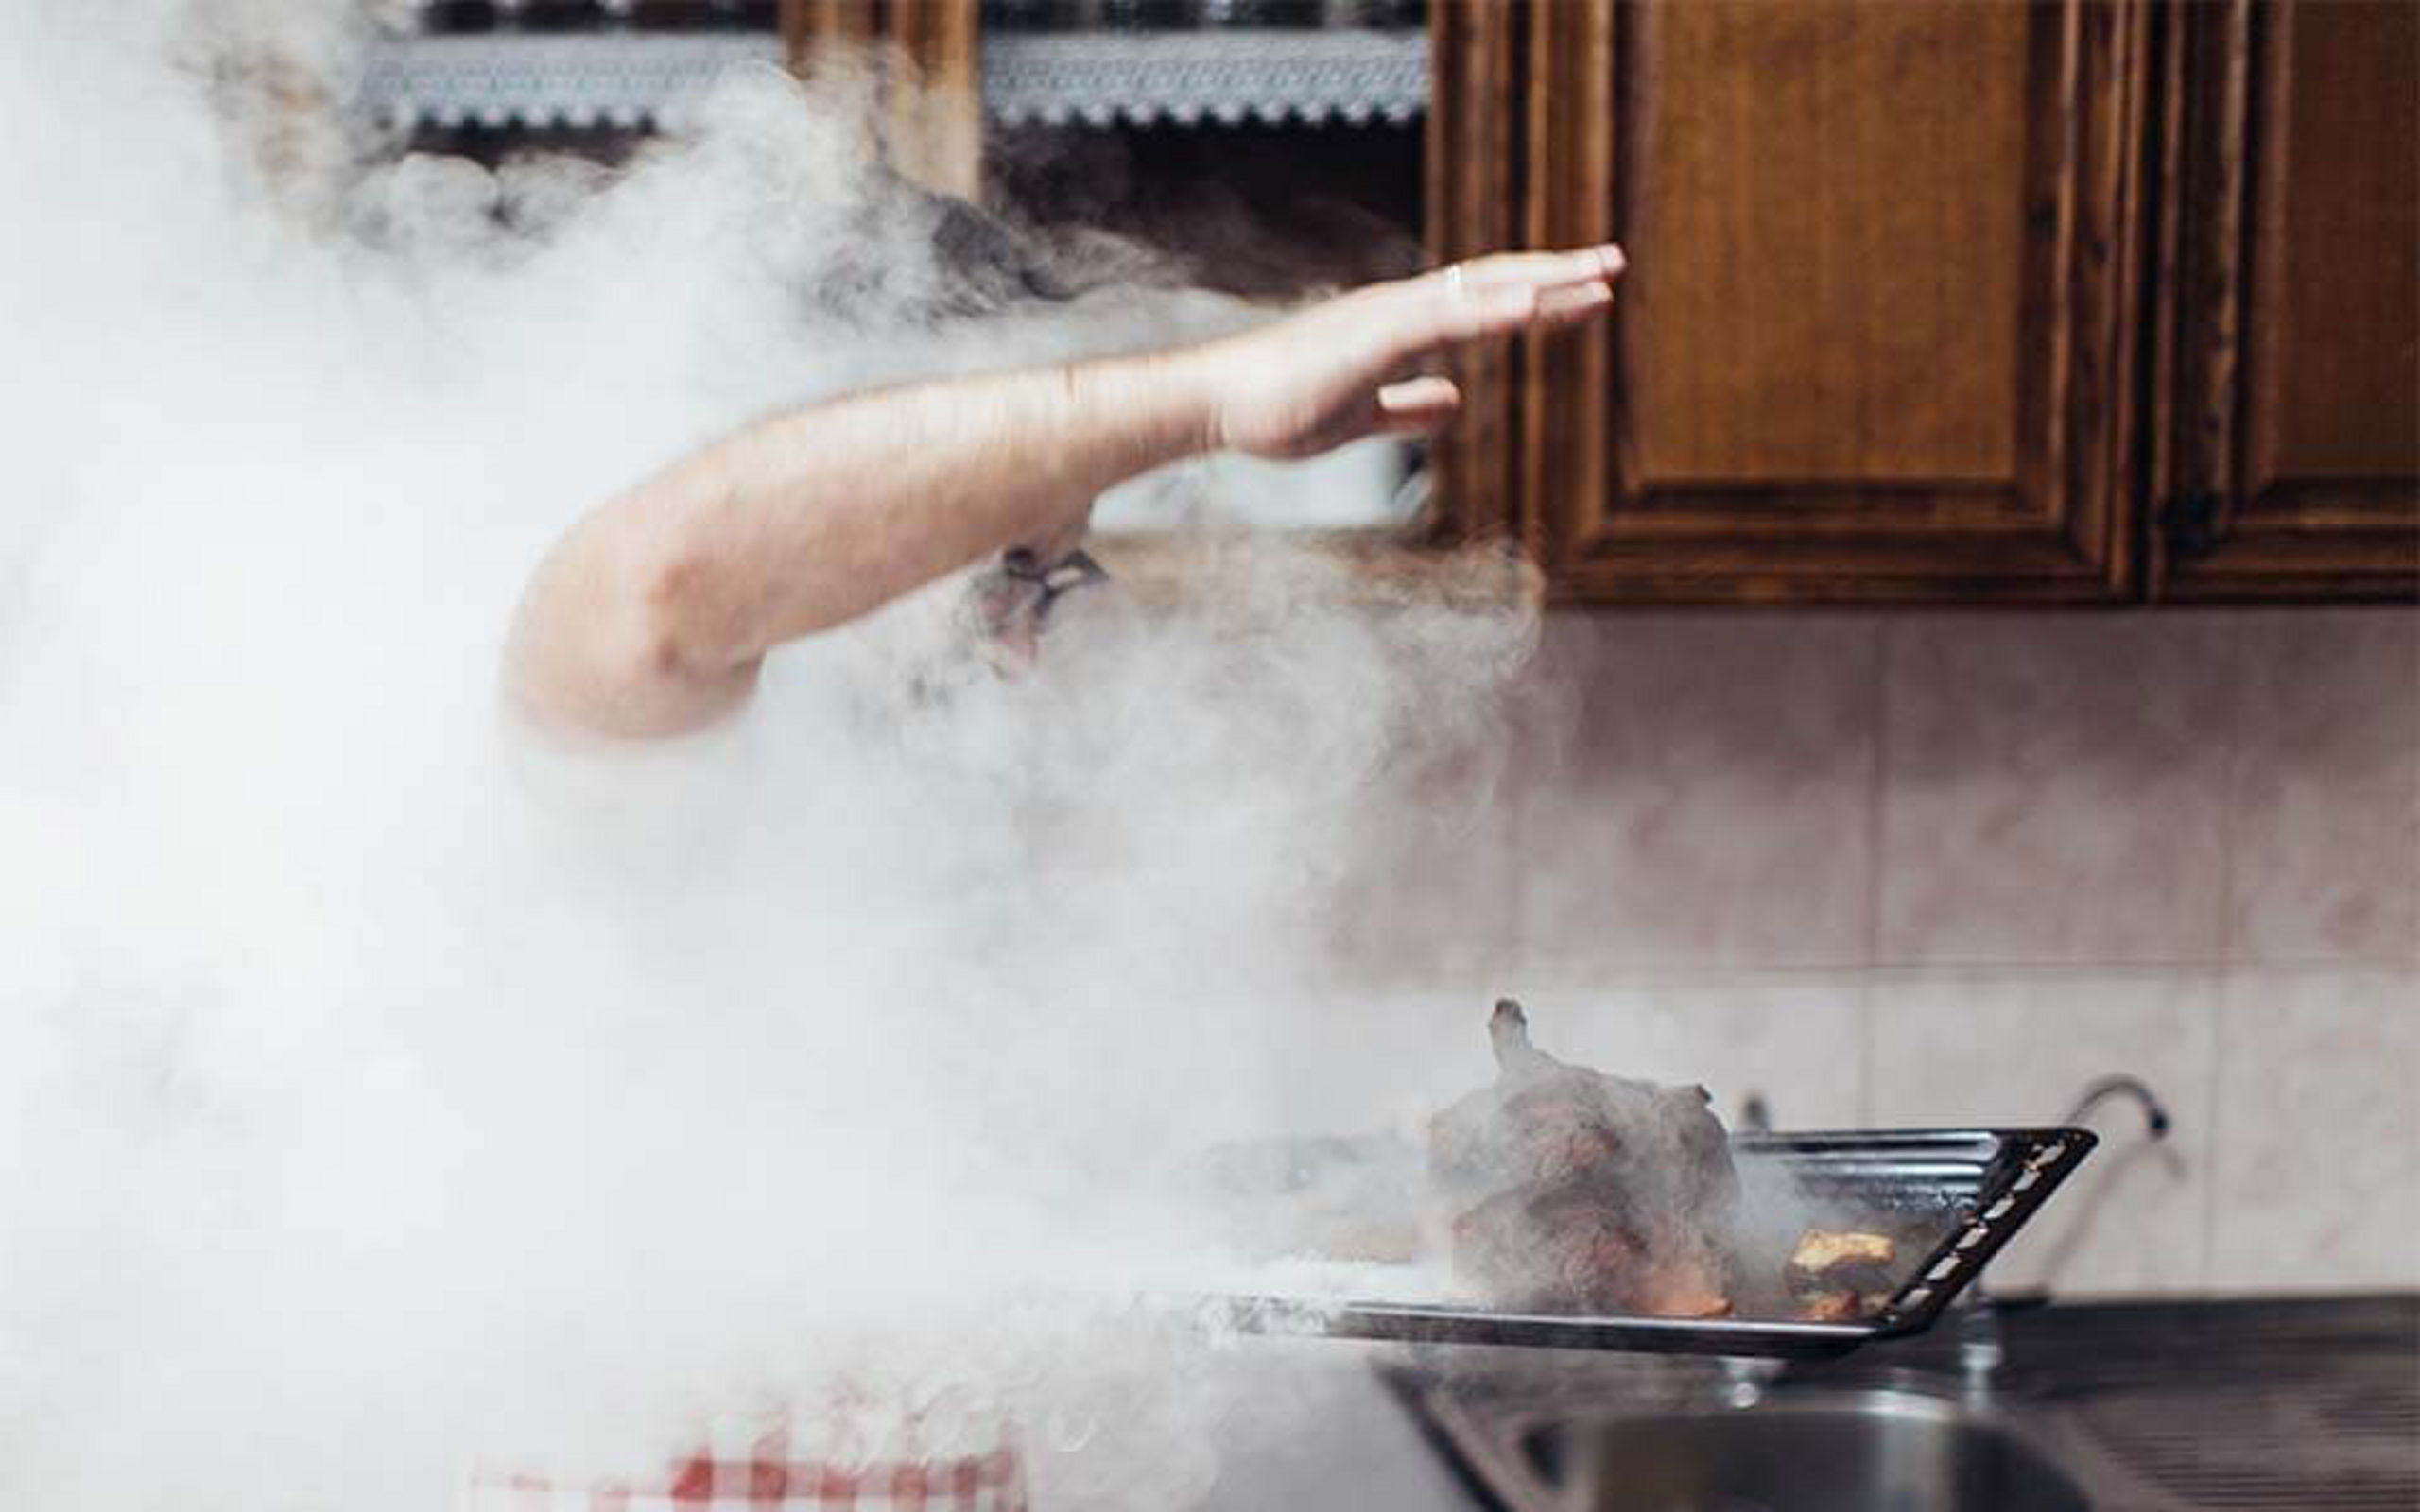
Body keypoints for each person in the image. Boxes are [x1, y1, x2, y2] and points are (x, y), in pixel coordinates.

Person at [505, 243, 1627, 739]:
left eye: (1044, 586)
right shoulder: (649, 743)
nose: (1021, 653)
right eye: (1002, 577)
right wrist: (1214, 396)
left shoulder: (912, 818)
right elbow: (660, 588)